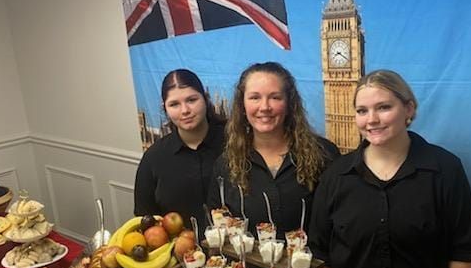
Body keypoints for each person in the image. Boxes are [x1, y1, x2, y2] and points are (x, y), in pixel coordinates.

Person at [307, 70, 471, 268]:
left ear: (409, 109)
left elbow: (462, 254)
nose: (371, 119)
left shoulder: (445, 170)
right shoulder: (335, 176)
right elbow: (319, 254)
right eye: (362, 110)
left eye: (383, 107)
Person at [208, 62, 339, 235]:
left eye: (275, 97)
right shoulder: (225, 164)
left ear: (289, 104)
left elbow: (341, 222)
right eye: (255, 97)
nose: (265, 107)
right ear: (242, 105)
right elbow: (216, 229)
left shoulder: (324, 155)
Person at [134, 69, 225, 233]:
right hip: (180, 255)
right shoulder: (154, 158)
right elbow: (144, 218)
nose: (185, 110)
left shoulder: (235, 143)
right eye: (174, 104)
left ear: (205, 98)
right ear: (165, 108)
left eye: (191, 100)